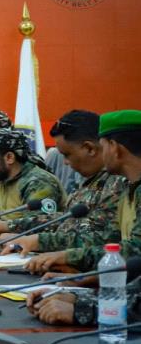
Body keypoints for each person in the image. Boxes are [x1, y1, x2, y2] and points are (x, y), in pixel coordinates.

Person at [25, 109, 141, 274]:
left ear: (114, 148)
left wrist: (67, 257)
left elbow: (134, 250)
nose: (101, 154)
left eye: (103, 146)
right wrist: (90, 279)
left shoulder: (122, 184)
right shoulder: (132, 186)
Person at [0, 110, 125, 256]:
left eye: (67, 154)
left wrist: (39, 242)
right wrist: (11, 227)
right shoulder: (91, 181)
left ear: (89, 148)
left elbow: (105, 239)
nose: (64, 162)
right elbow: (64, 221)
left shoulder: (118, 183)